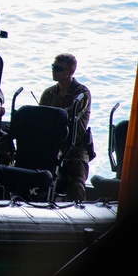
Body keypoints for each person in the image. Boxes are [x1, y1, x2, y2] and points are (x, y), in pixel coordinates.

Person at [39, 53, 94, 201]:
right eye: (53, 67)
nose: (54, 70)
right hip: (53, 145)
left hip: (75, 146)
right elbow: (41, 118)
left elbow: (69, 115)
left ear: (70, 71)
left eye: (58, 68)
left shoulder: (82, 94)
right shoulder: (49, 94)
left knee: (76, 183)